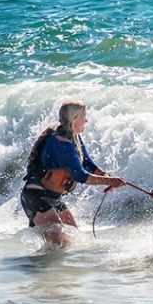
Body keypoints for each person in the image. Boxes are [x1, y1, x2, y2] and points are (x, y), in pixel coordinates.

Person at [20, 99, 127, 247]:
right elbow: (80, 176)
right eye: (84, 116)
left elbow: (87, 163)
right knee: (57, 244)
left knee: (73, 239)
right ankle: (39, 269)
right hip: (36, 196)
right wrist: (111, 182)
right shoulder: (61, 143)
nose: (86, 120)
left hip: (53, 197)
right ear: (74, 119)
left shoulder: (74, 137)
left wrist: (106, 176)